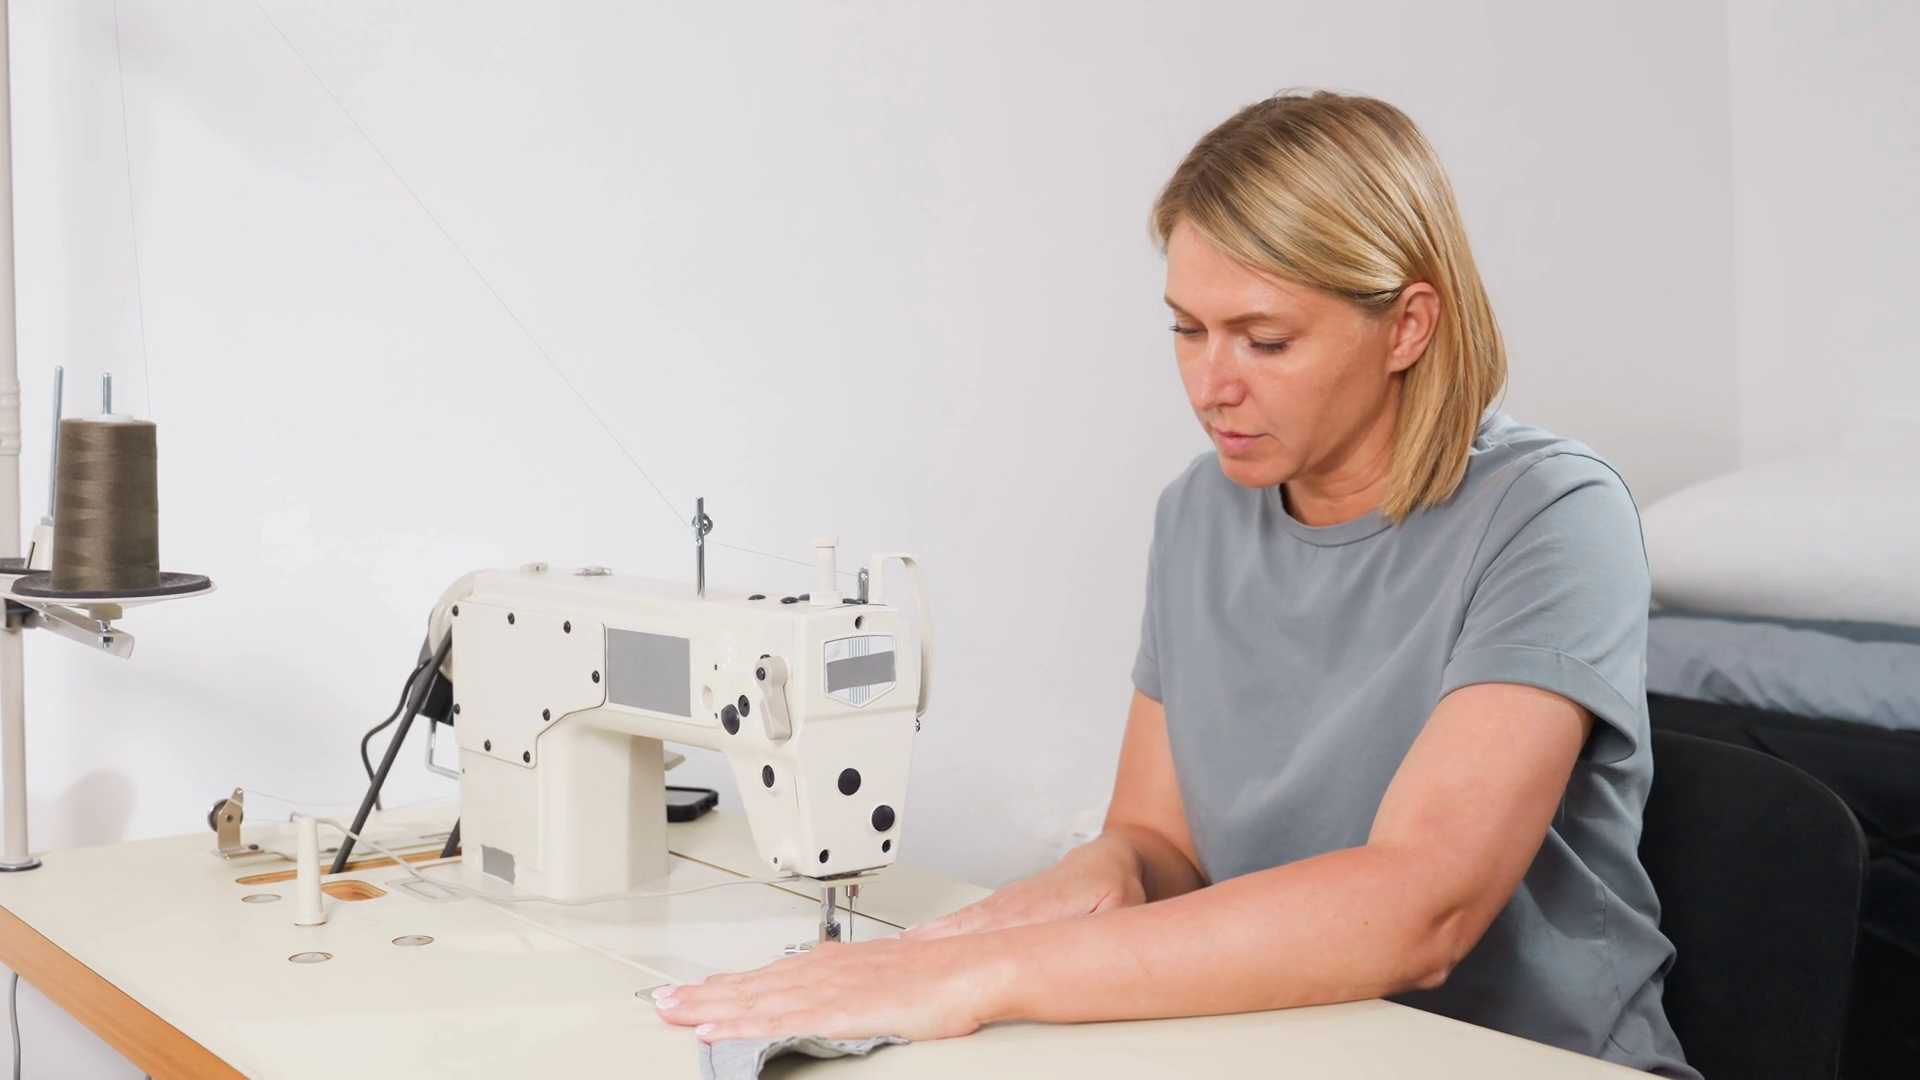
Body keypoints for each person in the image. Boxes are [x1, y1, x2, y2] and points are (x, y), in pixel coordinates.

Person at [655, 90, 1696, 1077]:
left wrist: (982, 974)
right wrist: (1052, 896)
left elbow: (1423, 909)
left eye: (1265, 340)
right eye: (1187, 330)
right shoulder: (1199, 510)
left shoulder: (1552, 515)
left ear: (1408, 326)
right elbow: (1160, 845)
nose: (1210, 385)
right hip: (1293, 1048)